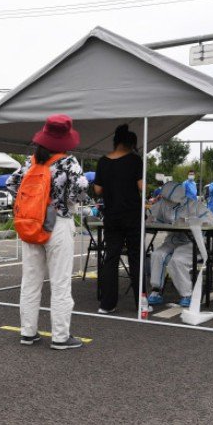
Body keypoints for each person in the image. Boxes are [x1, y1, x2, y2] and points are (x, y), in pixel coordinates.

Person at [7, 114, 88, 349]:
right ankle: (61, 337)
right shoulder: (67, 162)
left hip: (31, 224)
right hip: (58, 224)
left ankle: (28, 333)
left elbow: (11, 184)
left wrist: (31, 205)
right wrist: (66, 203)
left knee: (30, 281)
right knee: (60, 282)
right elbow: (81, 188)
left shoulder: (31, 161)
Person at [94, 124, 144, 315]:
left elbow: (98, 190)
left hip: (111, 216)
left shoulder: (103, 161)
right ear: (130, 144)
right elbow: (141, 186)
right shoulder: (134, 160)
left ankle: (107, 304)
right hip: (132, 215)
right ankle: (141, 303)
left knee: (111, 258)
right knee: (135, 257)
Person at [146, 181, 213, 307]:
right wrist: (149, 218)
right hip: (173, 240)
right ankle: (156, 290)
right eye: (165, 198)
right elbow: (150, 214)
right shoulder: (164, 204)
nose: (166, 201)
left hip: (192, 242)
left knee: (177, 260)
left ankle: (187, 294)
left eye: (168, 198)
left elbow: (211, 218)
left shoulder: (194, 205)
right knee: (157, 254)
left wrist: (193, 222)